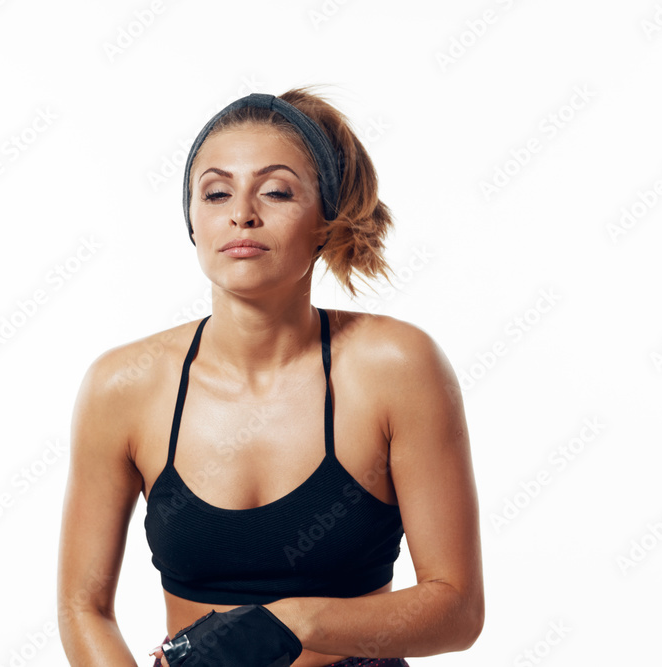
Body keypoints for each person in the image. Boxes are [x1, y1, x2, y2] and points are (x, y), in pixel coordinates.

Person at [57, 86, 484, 667]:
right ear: (191, 220)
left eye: (277, 191)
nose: (242, 213)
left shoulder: (397, 366)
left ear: (324, 220)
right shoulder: (123, 386)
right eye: (216, 192)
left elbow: (457, 608)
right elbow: (82, 607)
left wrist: (288, 622)